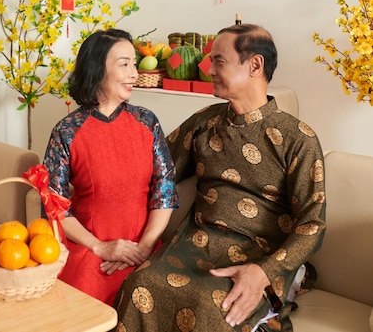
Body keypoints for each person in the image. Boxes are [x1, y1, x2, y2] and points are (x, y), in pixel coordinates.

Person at [114, 24, 327, 332]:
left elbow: (312, 224)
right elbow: (155, 167)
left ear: (255, 65)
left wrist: (264, 272)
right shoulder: (206, 121)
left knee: (212, 308)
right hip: (194, 247)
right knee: (139, 283)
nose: (209, 69)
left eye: (219, 61)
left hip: (259, 256)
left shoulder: (298, 139)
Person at [43, 28, 179, 306]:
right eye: (124, 64)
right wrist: (100, 247)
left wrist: (142, 249)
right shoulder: (67, 131)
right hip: (89, 250)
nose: (134, 73)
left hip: (145, 249)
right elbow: (54, 203)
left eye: (134, 63)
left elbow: (164, 191)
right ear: (96, 69)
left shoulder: (147, 122)